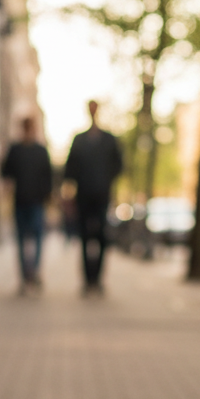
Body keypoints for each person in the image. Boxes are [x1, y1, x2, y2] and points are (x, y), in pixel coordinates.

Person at [64, 101, 123, 295]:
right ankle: (87, 280)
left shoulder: (108, 139)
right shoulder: (79, 140)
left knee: (101, 238)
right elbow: (69, 170)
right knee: (84, 239)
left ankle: (97, 280)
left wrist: (106, 181)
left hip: (102, 196)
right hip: (84, 197)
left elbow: (118, 165)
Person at [1, 116, 53, 293]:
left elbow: (48, 176)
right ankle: (25, 277)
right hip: (20, 201)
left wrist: (48, 196)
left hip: (37, 202)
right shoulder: (15, 150)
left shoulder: (41, 151)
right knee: (22, 239)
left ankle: (35, 272)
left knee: (37, 238)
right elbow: (6, 171)